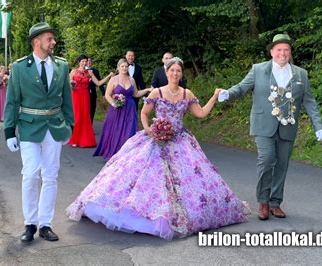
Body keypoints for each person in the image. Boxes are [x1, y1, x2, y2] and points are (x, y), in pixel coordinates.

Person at [67, 57, 248, 240]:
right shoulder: (157, 93)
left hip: (180, 141)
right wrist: (148, 129)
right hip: (156, 139)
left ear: (181, 73)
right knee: (144, 176)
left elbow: (201, 113)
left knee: (193, 178)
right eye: (172, 71)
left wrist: (214, 97)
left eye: (178, 71)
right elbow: (144, 113)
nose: (175, 74)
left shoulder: (187, 93)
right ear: (167, 72)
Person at [218, 33, 322, 220]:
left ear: (290, 52)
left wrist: (319, 126)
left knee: (282, 165)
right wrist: (228, 93)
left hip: (288, 127)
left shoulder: (301, 74)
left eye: (286, 50)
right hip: (263, 125)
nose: (282, 53)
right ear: (271, 52)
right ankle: (263, 202)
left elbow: (309, 101)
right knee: (267, 160)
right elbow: (242, 87)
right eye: (279, 50)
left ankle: (275, 203)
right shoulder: (258, 70)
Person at [3, 21, 74, 243]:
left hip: (54, 127)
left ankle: (45, 224)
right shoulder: (19, 68)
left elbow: (67, 99)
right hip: (28, 126)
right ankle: (29, 224)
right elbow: (12, 101)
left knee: (50, 175)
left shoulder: (62, 66)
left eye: (53, 38)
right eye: (49, 39)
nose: (53, 42)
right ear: (36, 41)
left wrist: (69, 126)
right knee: (30, 174)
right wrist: (9, 131)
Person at [93, 59, 152, 160]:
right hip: (117, 109)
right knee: (116, 130)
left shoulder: (131, 80)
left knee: (129, 130)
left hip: (130, 108)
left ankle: (127, 154)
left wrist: (146, 90)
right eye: (122, 66)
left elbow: (136, 94)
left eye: (126, 66)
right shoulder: (113, 79)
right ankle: (115, 152)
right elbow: (107, 94)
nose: (124, 68)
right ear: (118, 67)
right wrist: (113, 103)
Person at [68, 54, 113, 148]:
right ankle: (75, 139)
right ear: (79, 62)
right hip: (75, 95)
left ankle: (84, 141)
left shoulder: (89, 73)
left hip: (85, 95)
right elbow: (67, 85)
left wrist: (109, 76)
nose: (84, 63)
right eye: (82, 61)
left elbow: (99, 83)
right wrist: (71, 85)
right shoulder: (73, 71)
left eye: (86, 61)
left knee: (85, 117)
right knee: (78, 117)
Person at [87, 57, 105, 122]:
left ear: (92, 63)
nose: (89, 62)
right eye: (87, 61)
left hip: (93, 94)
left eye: (90, 61)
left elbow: (99, 82)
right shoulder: (82, 71)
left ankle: (90, 128)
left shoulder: (95, 71)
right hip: (84, 94)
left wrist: (103, 93)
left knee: (92, 110)